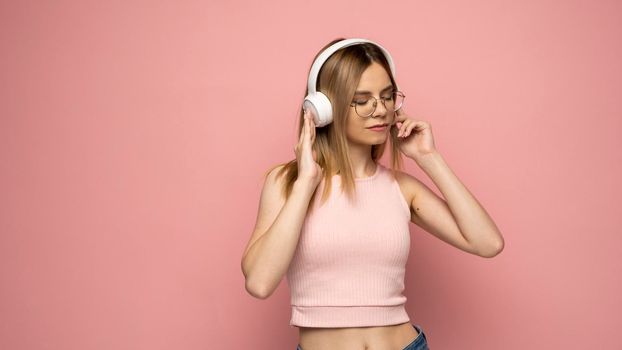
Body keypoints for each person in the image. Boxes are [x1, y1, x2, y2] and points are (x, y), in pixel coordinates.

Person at [241, 37, 505, 350]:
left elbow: (488, 243)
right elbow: (259, 282)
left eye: (387, 96)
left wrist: (428, 157)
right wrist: (307, 182)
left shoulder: (401, 189)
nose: (380, 110)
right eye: (362, 100)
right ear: (325, 109)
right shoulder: (288, 183)